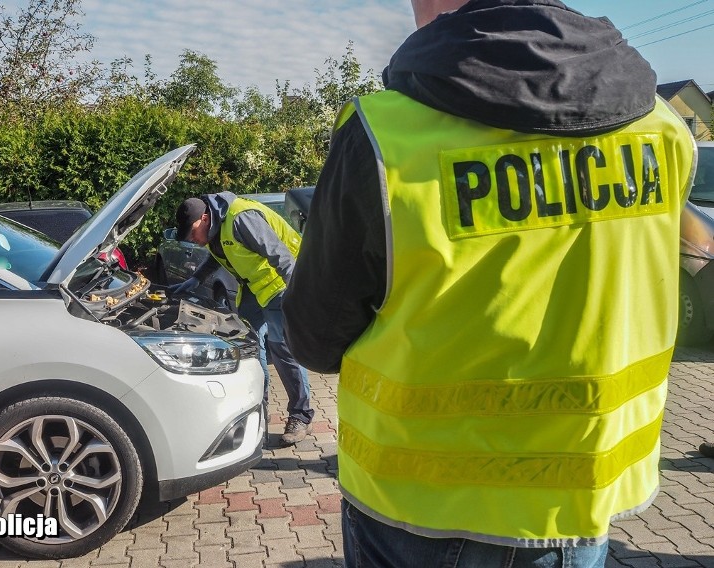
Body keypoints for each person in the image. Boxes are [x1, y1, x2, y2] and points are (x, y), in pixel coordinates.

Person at [282, 1, 696, 567]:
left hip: (422, 511)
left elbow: (314, 336)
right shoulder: (666, 131)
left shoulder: (385, 135)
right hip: (583, 506)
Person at [171, 192, 314, 445]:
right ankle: (259, 413)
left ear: (204, 218)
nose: (192, 239)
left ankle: (300, 415)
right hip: (253, 290)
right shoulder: (214, 231)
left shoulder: (241, 218)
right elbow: (217, 258)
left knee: (283, 350)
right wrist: (194, 279)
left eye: (192, 232)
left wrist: (299, 292)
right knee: (250, 352)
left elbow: (279, 254)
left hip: (282, 284)